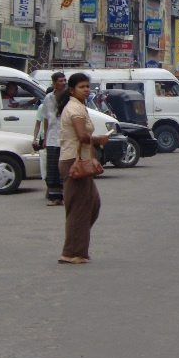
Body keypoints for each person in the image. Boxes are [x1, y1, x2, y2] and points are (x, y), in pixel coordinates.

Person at [57, 72, 109, 265]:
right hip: (74, 162)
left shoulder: (79, 106)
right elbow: (81, 136)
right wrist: (99, 140)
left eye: (87, 86)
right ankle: (71, 252)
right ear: (72, 90)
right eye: (82, 87)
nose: (86, 90)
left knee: (92, 204)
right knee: (79, 209)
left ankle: (77, 245)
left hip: (79, 160)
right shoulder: (75, 109)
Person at [42, 71, 67, 206]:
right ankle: (56, 197)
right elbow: (46, 119)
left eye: (64, 80)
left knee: (63, 169)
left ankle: (66, 196)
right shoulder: (48, 98)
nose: (63, 83)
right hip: (52, 137)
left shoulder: (69, 97)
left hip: (65, 138)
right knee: (52, 169)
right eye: (60, 81)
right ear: (54, 83)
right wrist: (45, 138)